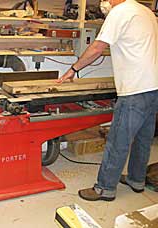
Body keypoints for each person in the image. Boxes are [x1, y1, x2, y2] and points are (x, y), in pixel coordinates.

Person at [57, 0, 158, 201]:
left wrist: (73, 70)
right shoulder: (145, 11)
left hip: (135, 89)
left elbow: (96, 48)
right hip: (153, 86)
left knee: (117, 141)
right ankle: (137, 180)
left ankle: (105, 188)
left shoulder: (120, 12)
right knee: (143, 139)